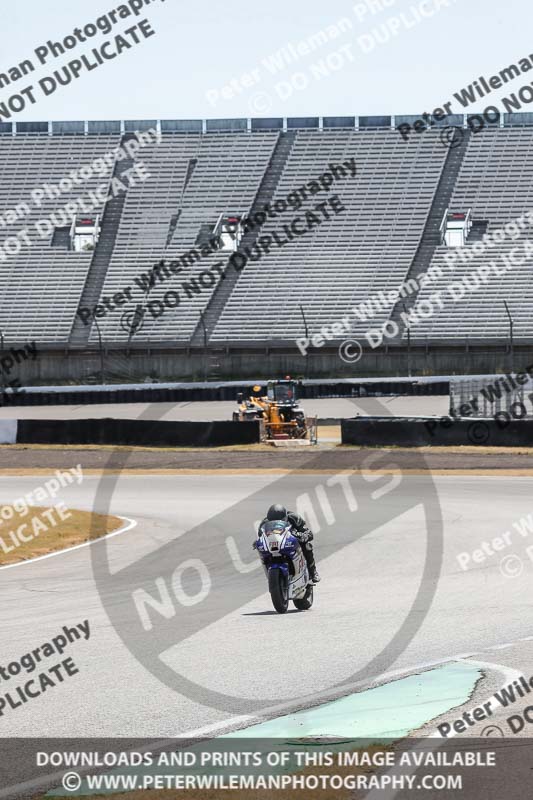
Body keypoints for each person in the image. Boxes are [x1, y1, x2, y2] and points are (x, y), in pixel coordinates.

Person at [255, 504, 321, 583]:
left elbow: (307, 532)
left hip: (290, 541)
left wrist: (304, 536)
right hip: (275, 544)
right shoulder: (264, 524)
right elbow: (261, 537)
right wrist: (258, 542)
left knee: (306, 546)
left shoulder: (295, 518)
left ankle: (313, 572)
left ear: (285, 517)